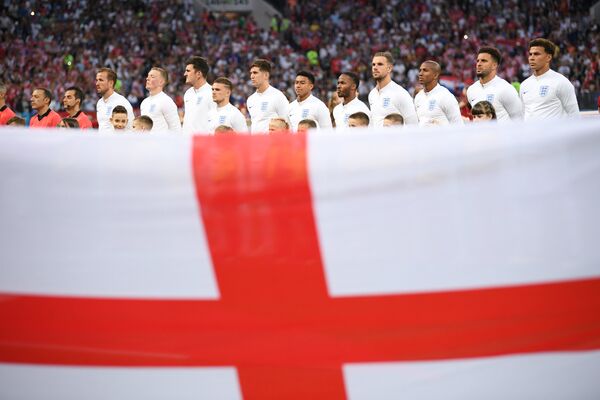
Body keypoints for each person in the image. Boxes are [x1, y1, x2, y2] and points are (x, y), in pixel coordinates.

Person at [520, 38, 579, 120]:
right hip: (530, 132)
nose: (531, 58)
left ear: (548, 57)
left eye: (536, 54)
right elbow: (522, 116)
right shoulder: (524, 85)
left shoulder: (561, 82)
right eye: (530, 54)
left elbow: (574, 116)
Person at [466, 47, 522, 121]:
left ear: (494, 65)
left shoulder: (505, 89)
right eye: (478, 61)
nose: (479, 64)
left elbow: (519, 119)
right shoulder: (471, 90)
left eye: (484, 61)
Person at [368, 52, 418, 126]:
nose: (375, 67)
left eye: (380, 64)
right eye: (373, 64)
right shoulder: (372, 94)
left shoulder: (400, 93)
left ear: (389, 68)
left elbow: (413, 124)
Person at [414, 61, 463, 126]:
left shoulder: (445, 96)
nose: (420, 73)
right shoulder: (418, 96)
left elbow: (458, 124)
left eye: (425, 70)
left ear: (435, 75)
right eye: (420, 70)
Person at [246, 59, 289, 133]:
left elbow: (288, 122)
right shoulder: (250, 99)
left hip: (273, 143)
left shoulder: (278, 96)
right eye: (251, 73)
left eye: (255, 73)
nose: (252, 76)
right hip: (256, 143)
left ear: (266, 75)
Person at [140, 67, 182, 133]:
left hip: (161, 142)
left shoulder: (166, 101)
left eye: (152, 76)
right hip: (146, 142)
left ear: (161, 82)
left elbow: (176, 128)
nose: (147, 78)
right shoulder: (144, 102)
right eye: (148, 76)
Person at [182, 56, 216, 134]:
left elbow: (216, 122)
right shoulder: (188, 93)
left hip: (204, 143)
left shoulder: (212, 93)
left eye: (188, 71)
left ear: (198, 74)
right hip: (187, 142)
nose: (185, 74)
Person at [96, 67, 134, 132]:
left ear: (111, 83)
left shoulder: (121, 102)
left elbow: (131, 128)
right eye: (97, 80)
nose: (97, 83)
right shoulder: (99, 103)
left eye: (101, 80)